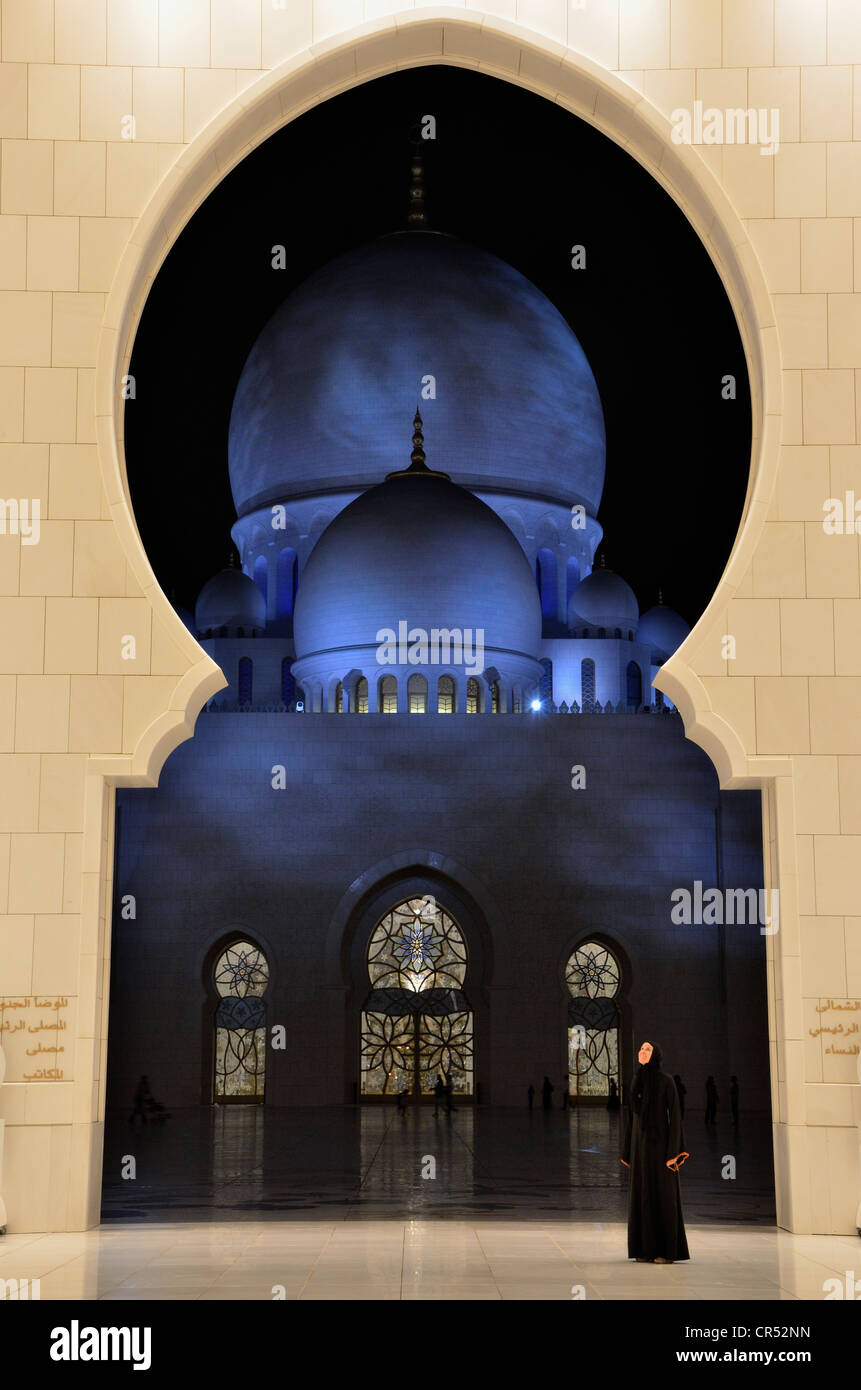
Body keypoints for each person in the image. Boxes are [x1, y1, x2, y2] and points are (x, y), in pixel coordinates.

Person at [621, 1041, 690, 1264]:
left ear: (656, 1055)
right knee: (643, 1195)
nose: (643, 1051)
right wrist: (628, 1150)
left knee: (663, 1196)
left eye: (648, 1049)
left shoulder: (666, 1082)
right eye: (641, 1049)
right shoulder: (637, 1081)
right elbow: (632, 1117)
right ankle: (645, 1250)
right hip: (640, 1149)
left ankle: (667, 1252)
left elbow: (676, 1117)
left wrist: (673, 1152)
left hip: (661, 1149)